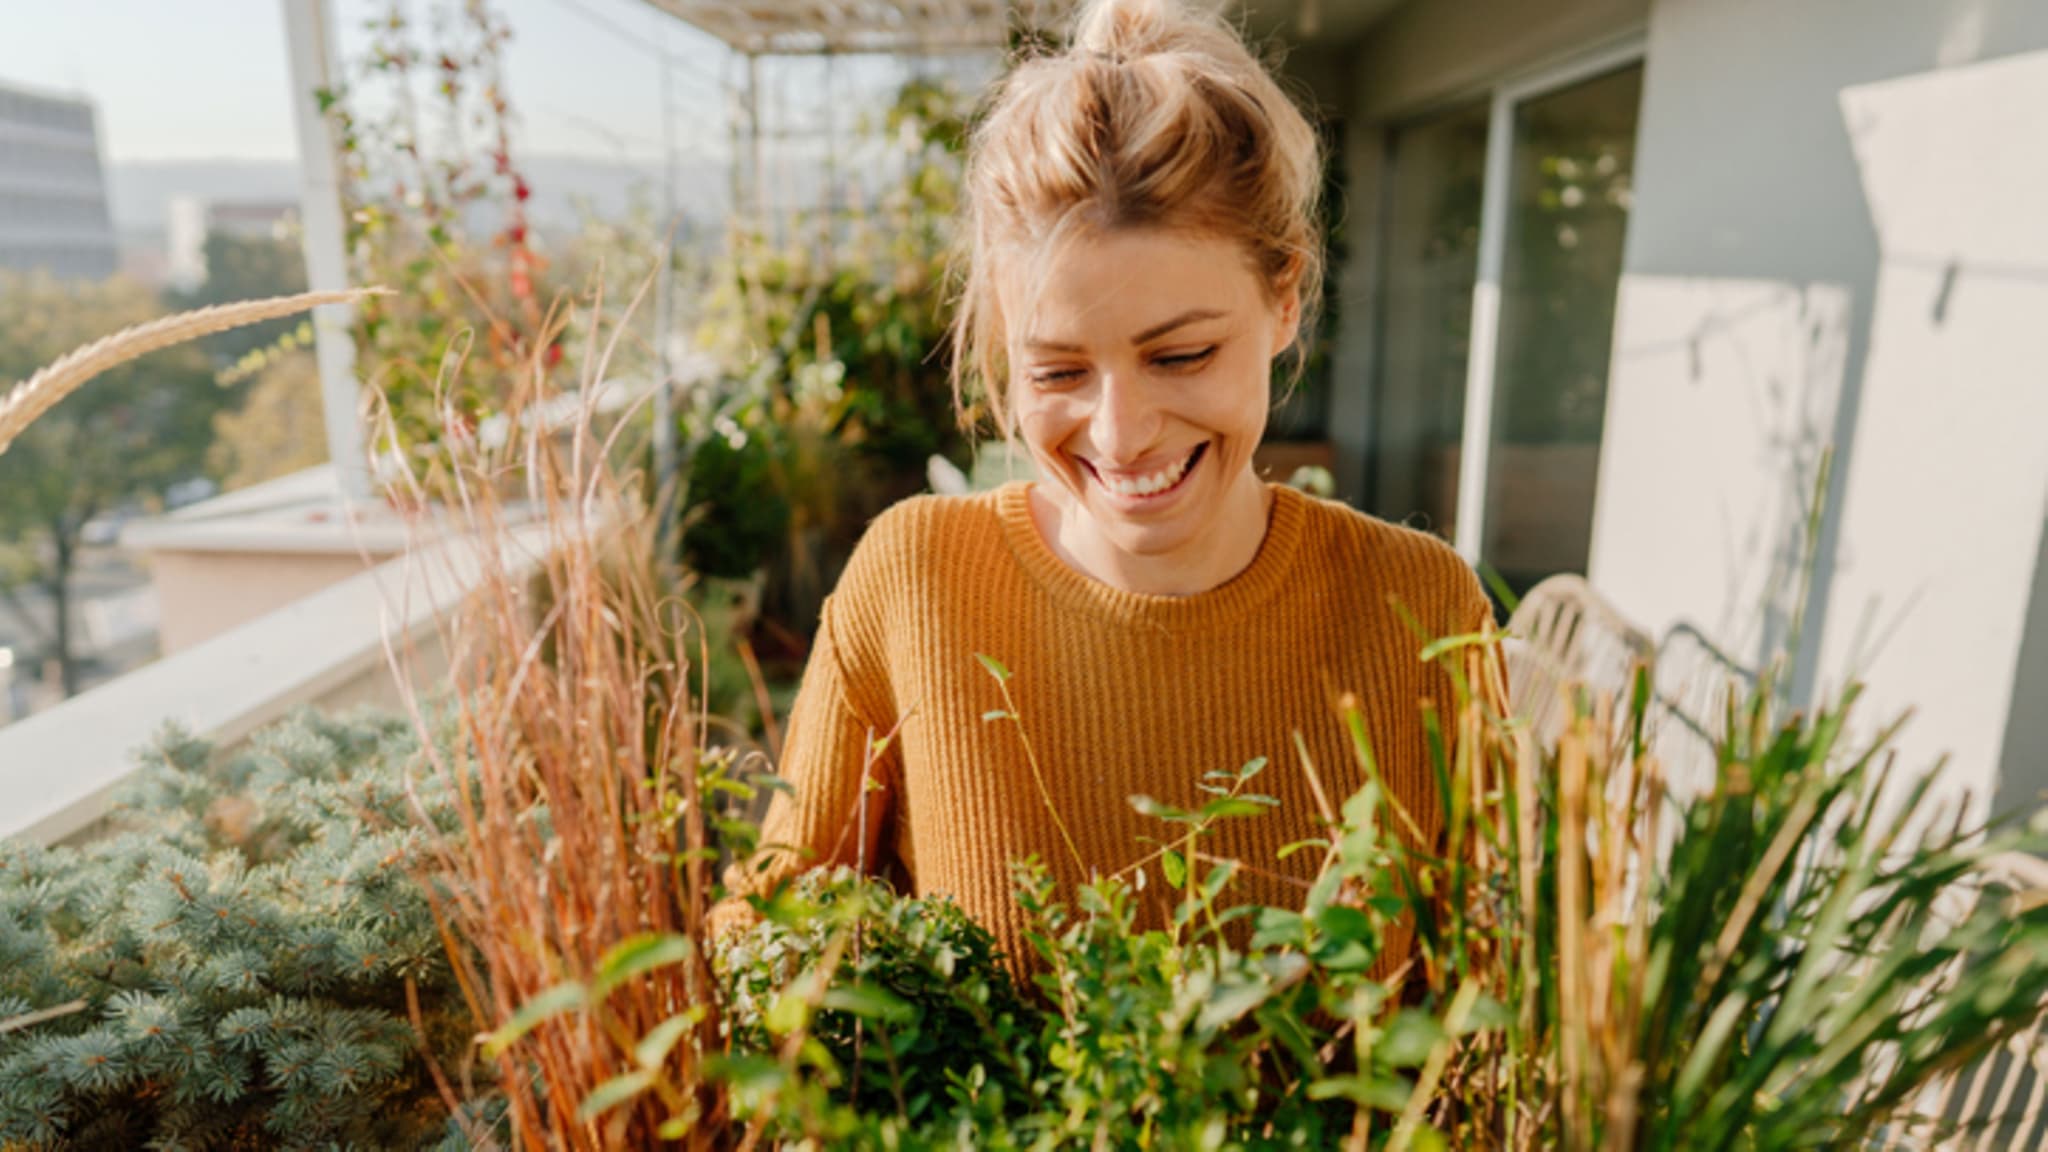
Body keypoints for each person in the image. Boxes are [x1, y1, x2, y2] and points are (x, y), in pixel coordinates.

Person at [711, 0, 1493, 986]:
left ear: (1284, 296)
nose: (1120, 434)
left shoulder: (1419, 612)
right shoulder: (913, 583)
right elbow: (769, 947)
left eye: (1180, 353)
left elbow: (1499, 1012)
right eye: (1056, 372)